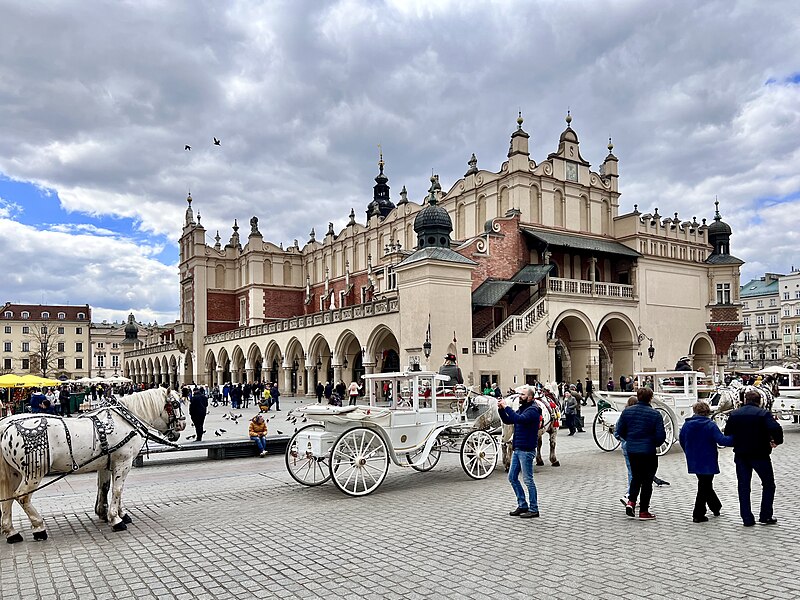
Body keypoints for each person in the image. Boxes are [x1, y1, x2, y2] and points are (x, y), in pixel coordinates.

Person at [724, 389, 784, 526]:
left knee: (743, 486)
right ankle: (765, 515)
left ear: (745, 400)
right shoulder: (763, 414)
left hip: (741, 455)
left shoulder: (735, 414)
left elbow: (728, 431)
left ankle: (747, 518)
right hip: (760, 454)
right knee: (768, 484)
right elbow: (776, 428)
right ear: (759, 401)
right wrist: (776, 441)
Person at [615, 387, 666, 520]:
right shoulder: (655, 414)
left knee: (636, 477)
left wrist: (630, 439)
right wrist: (653, 443)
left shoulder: (627, 412)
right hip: (648, 451)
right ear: (650, 398)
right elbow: (661, 436)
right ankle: (644, 511)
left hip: (632, 450)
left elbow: (619, 430)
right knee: (647, 481)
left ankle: (631, 502)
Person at [679, 401, 734, 523]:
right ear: (707, 412)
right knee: (704, 485)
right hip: (708, 458)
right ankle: (698, 513)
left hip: (693, 458)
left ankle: (716, 506)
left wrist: (688, 452)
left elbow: (682, 440)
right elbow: (721, 441)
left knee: (705, 484)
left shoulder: (687, 425)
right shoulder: (710, 425)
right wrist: (735, 438)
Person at [498, 386, 542, 518]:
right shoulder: (523, 408)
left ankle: (534, 509)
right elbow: (508, 420)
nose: (519, 397)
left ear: (530, 397)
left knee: (528, 480)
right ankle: (522, 504)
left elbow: (519, 419)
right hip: (517, 449)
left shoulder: (533, 410)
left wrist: (506, 407)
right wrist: (501, 410)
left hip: (526, 451)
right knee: (512, 477)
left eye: (522, 395)